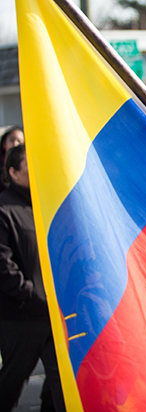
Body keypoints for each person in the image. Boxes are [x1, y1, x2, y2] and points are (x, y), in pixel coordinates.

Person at [0, 144, 65, 412]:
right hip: (20, 318)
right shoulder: (4, 208)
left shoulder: (47, 204)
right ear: (13, 172)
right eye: (29, 164)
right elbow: (3, 265)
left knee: (61, 385)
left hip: (53, 315)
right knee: (11, 384)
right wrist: (31, 293)